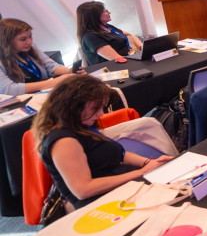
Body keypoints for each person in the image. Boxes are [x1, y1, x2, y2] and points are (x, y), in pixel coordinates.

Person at [32, 75, 176, 211]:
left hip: (122, 188)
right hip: (102, 203)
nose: (101, 113)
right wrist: (141, 172)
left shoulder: (79, 125)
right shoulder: (64, 142)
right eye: (96, 108)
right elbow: (84, 190)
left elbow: (119, 155)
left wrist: (149, 163)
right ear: (74, 106)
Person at [0, 18, 84, 95]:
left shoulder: (31, 48)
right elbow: (8, 89)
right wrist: (54, 82)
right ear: (7, 40)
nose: (30, 42)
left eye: (30, 36)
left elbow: (50, 65)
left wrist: (68, 71)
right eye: (23, 39)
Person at [76, 1, 143, 65]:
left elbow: (129, 34)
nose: (109, 12)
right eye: (105, 11)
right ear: (94, 16)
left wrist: (142, 48)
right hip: (113, 70)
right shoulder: (90, 37)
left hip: (127, 61)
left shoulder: (108, 27)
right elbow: (118, 59)